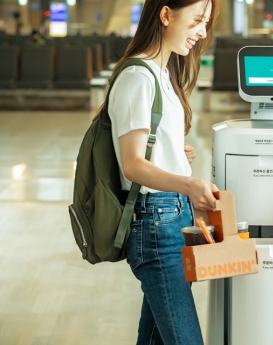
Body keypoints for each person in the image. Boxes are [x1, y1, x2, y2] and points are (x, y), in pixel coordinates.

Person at [98, 0, 219, 344]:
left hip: (172, 217)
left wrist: (174, 154)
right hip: (156, 223)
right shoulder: (139, 75)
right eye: (197, 20)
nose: (202, 31)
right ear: (166, 15)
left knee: (153, 340)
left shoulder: (162, 72)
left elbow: (146, 150)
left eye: (206, 23)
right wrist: (189, 182)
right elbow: (133, 164)